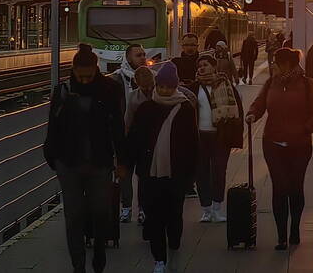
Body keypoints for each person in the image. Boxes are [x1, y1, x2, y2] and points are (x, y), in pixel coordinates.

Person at [43, 44, 127, 273]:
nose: (85, 80)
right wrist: (52, 157)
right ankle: (78, 266)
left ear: (95, 69)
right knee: (73, 216)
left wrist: (122, 161)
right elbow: (53, 127)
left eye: (89, 76)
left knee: (101, 213)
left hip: (99, 162)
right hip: (68, 163)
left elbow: (118, 127)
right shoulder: (62, 91)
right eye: (81, 76)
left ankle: (99, 258)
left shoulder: (110, 89)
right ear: (74, 70)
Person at [246, 47, 313, 249]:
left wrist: (305, 130)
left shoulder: (307, 84)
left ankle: (295, 227)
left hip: (299, 145)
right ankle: (281, 236)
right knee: (279, 187)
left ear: (286, 64)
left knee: (295, 187)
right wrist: (252, 113)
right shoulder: (272, 82)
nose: (272, 65)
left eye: (275, 62)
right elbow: (260, 103)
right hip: (273, 143)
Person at [126, 62, 198, 273]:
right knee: (154, 215)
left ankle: (174, 240)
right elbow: (135, 139)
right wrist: (126, 163)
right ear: (157, 85)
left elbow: (193, 143)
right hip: (150, 172)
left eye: (169, 87)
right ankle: (159, 259)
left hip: (176, 173)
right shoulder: (146, 108)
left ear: (175, 86)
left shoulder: (185, 108)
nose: (165, 90)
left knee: (174, 213)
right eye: (162, 86)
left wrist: (190, 175)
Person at [193, 53, 245, 223]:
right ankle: (206, 209)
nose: (202, 67)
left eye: (206, 64)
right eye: (200, 65)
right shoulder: (194, 88)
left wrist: (237, 136)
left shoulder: (226, 84)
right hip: (200, 136)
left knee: (218, 170)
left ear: (214, 67)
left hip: (220, 136)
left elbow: (238, 110)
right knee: (201, 172)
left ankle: (217, 207)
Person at [109, 44, 148, 223]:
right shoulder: (116, 79)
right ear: (128, 57)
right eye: (138, 55)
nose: (142, 58)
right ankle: (126, 208)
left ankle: (142, 208)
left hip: (143, 135)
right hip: (123, 134)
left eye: (143, 55)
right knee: (124, 172)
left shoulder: (150, 79)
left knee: (144, 174)